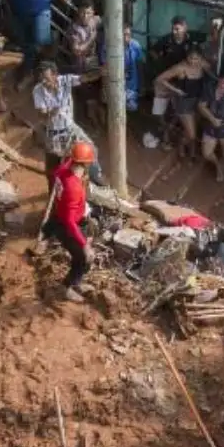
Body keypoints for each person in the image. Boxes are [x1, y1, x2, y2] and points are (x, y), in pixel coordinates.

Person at [42, 139, 94, 302]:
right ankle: (67, 287)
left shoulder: (62, 172)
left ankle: (77, 282)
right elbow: (71, 221)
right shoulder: (74, 187)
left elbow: (65, 165)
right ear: (86, 164)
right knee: (83, 259)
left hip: (60, 218)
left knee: (83, 256)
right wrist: (85, 246)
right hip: (67, 226)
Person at [31, 60, 97, 173]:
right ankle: (54, 187)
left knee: (90, 148)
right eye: (41, 78)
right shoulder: (38, 90)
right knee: (53, 166)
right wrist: (52, 112)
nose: (43, 81)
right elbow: (41, 115)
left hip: (70, 128)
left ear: (55, 75)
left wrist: (101, 71)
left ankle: (96, 175)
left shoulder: (66, 80)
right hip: (52, 133)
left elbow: (84, 78)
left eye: (46, 78)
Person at [154, 45, 212, 159]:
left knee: (192, 129)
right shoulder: (180, 68)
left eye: (196, 59)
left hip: (197, 102)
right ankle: (181, 145)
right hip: (184, 103)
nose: (193, 61)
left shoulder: (203, 64)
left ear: (201, 58)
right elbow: (160, 79)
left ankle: (192, 152)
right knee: (192, 134)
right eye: (191, 58)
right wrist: (176, 90)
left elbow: (211, 71)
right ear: (187, 57)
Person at [198, 74, 224, 184]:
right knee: (206, 153)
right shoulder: (210, 91)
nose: (223, 85)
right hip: (211, 126)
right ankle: (218, 166)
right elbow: (201, 106)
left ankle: (221, 170)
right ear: (218, 81)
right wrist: (212, 119)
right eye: (222, 82)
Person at [148, 16, 202, 88]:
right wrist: (159, 61)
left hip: (184, 76)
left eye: (177, 29)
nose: (174, 32)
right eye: (172, 29)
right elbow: (152, 51)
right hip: (168, 74)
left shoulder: (192, 38)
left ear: (185, 28)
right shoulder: (166, 39)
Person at [102, 24, 143, 112]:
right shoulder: (108, 46)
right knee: (110, 102)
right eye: (123, 34)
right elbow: (104, 68)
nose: (126, 37)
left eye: (128, 34)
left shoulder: (135, 45)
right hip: (114, 82)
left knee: (132, 107)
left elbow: (140, 66)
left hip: (130, 85)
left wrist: (141, 86)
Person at [65, 0, 101, 73]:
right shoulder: (74, 28)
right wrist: (91, 39)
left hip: (94, 61)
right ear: (78, 12)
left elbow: (105, 21)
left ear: (93, 13)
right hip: (79, 65)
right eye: (83, 12)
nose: (85, 16)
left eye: (88, 13)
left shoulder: (95, 20)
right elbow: (77, 50)